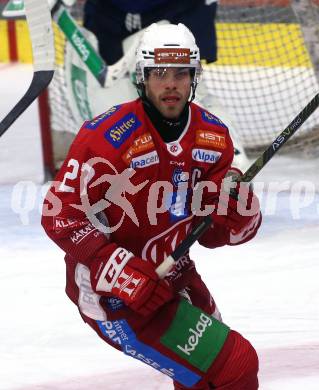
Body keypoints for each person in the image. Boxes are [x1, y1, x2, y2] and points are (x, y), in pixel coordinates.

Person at [41, 23, 262, 389]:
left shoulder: (213, 136)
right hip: (113, 295)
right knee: (234, 365)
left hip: (176, 277)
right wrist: (122, 273)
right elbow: (59, 214)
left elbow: (220, 234)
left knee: (205, 379)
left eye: (180, 73)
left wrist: (241, 212)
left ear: (194, 77)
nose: (170, 83)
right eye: (160, 73)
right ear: (142, 77)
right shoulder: (107, 136)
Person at [83, 0, 218, 66]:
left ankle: (188, 87)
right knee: (104, 72)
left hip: (170, 9)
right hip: (110, 12)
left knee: (177, 68)